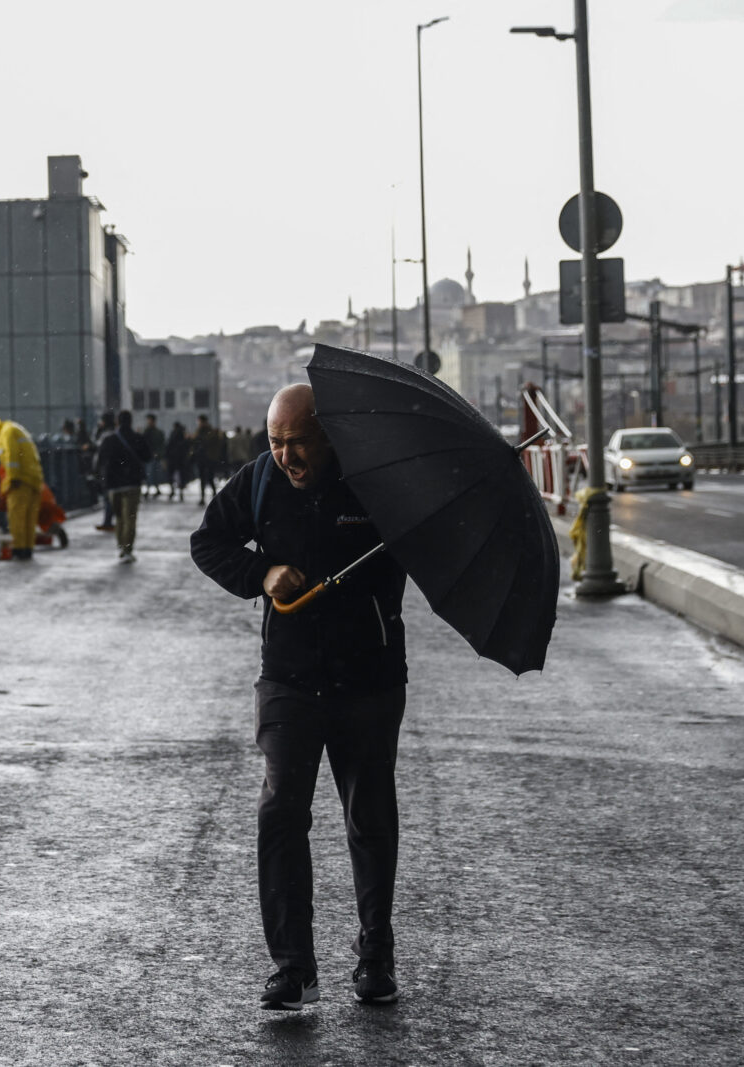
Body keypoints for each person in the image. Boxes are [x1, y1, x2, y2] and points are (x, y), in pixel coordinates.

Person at [190, 383, 408, 1012]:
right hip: (287, 677)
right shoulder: (259, 480)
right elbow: (208, 541)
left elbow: (424, 551)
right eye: (276, 441)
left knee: (369, 817)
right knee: (280, 811)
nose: (286, 454)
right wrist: (260, 573)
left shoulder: (375, 482)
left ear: (328, 436)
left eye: (297, 441)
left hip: (369, 677)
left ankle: (375, 956)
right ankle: (290, 965)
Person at [95, 409, 153, 564]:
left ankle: (121, 546)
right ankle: (127, 549)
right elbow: (147, 457)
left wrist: (101, 480)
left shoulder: (108, 439)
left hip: (114, 485)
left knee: (119, 517)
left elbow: (99, 461)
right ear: (131, 421)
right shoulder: (137, 438)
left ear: (117, 422)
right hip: (132, 483)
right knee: (130, 518)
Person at [0, 417, 44, 561]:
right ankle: (28, 549)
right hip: (34, 478)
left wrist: (13, 479)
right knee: (29, 518)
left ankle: (19, 549)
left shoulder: (5, 433)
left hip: (20, 480)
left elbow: (12, 456)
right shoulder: (15, 428)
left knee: (17, 517)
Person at [192, 414, 227, 506]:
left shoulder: (210, 431)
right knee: (204, 478)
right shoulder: (200, 431)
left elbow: (207, 442)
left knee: (209, 477)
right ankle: (204, 497)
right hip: (202, 458)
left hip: (208, 458)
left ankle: (213, 496)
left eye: (200, 421)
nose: (199, 423)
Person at [141, 413, 167, 500]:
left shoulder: (156, 432)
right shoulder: (147, 431)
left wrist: (158, 453)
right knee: (150, 473)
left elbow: (161, 445)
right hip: (149, 456)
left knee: (153, 473)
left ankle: (153, 489)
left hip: (154, 456)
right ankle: (152, 489)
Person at [165, 421, 191, 502]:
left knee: (171, 476)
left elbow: (168, 446)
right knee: (181, 476)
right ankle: (180, 493)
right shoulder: (182, 435)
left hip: (172, 459)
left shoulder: (173, 434)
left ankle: (172, 491)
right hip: (180, 459)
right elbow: (186, 446)